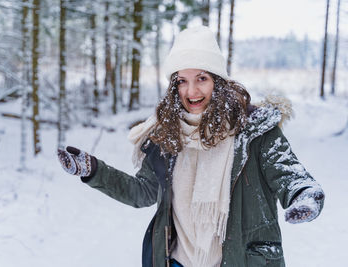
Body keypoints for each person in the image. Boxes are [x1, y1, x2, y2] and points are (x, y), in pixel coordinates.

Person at [57, 26, 325, 267]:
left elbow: (290, 175)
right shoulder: (168, 136)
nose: (191, 92)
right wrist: (93, 171)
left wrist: (304, 195)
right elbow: (143, 192)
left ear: (217, 80)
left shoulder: (254, 132)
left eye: (201, 78)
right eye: (182, 81)